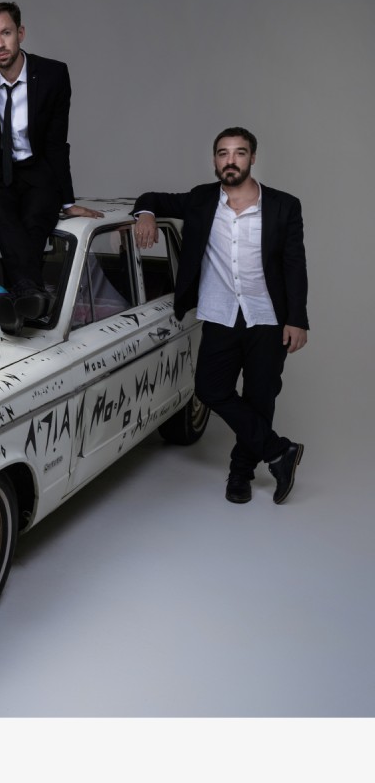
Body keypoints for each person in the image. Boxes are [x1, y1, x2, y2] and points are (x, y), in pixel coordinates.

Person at [132, 126, 308, 505]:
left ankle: (241, 473)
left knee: (260, 397)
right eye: (223, 153)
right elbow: (151, 198)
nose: (231, 160)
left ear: (252, 158)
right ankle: (279, 451)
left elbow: (295, 266)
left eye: (239, 153)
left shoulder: (283, 206)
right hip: (220, 314)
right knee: (210, 389)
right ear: (215, 160)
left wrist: (297, 319)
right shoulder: (201, 199)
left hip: (267, 317)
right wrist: (145, 215)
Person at [0, 0, 103, 334]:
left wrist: (68, 202)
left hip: (40, 170)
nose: (0, 43)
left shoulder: (53, 74)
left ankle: (18, 298)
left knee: (34, 220)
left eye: (6, 33)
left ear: (21, 33)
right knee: (3, 216)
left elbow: (57, 143)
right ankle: (32, 296)